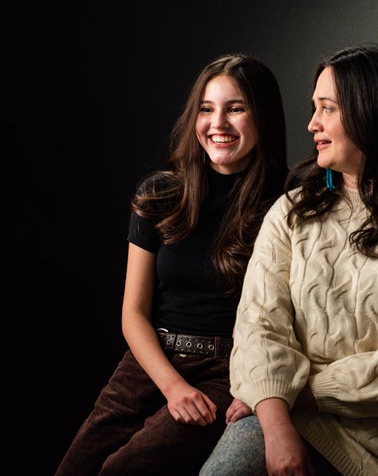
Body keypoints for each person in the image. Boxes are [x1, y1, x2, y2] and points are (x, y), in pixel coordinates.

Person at [200, 43, 378, 476]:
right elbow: (259, 327)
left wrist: (296, 391)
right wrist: (277, 423)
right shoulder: (292, 211)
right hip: (291, 418)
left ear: (375, 113)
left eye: (328, 109)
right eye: (314, 108)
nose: (312, 123)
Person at [53, 53, 289, 476]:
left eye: (235, 109)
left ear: (263, 117)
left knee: (123, 469)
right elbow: (133, 313)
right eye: (206, 109)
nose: (218, 123)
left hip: (228, 371)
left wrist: (259, 387)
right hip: (149, 361)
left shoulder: (287, 204)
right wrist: (173, 385)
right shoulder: (160, 195)